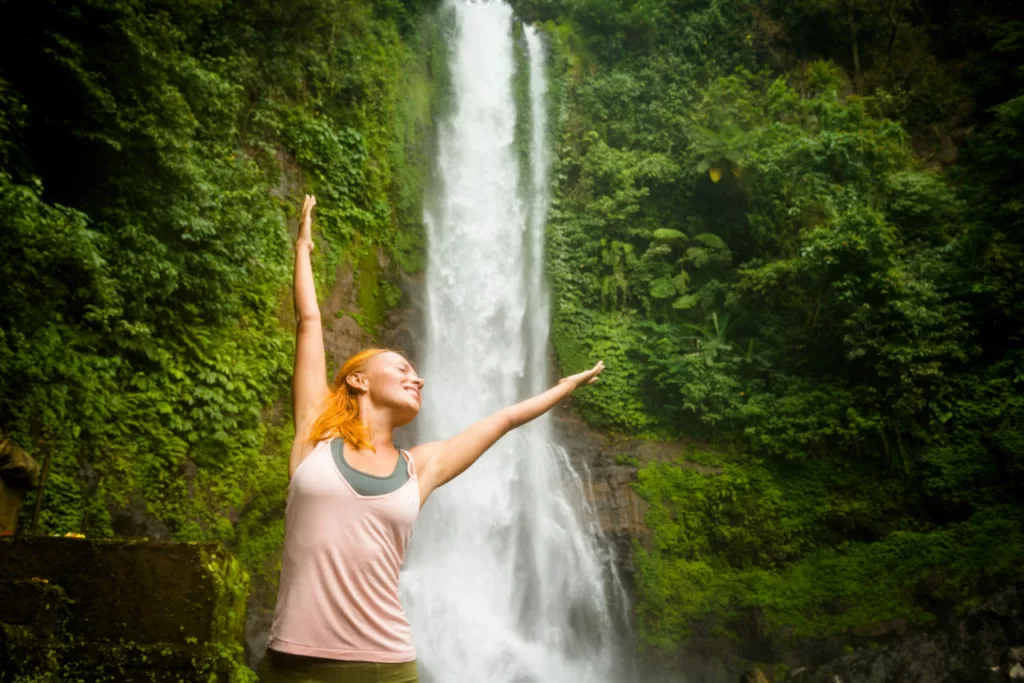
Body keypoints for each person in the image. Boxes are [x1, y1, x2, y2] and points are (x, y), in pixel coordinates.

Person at [261, 195, 605, 682]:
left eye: (418, 375)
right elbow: (310, 323)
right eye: (402, 368)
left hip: (389, 665)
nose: (417, 379)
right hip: (295, 665)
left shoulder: (418, 467)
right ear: (357, 380)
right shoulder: (315, 433)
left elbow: (504, 419)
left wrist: (564, 388)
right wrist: (302, 247)